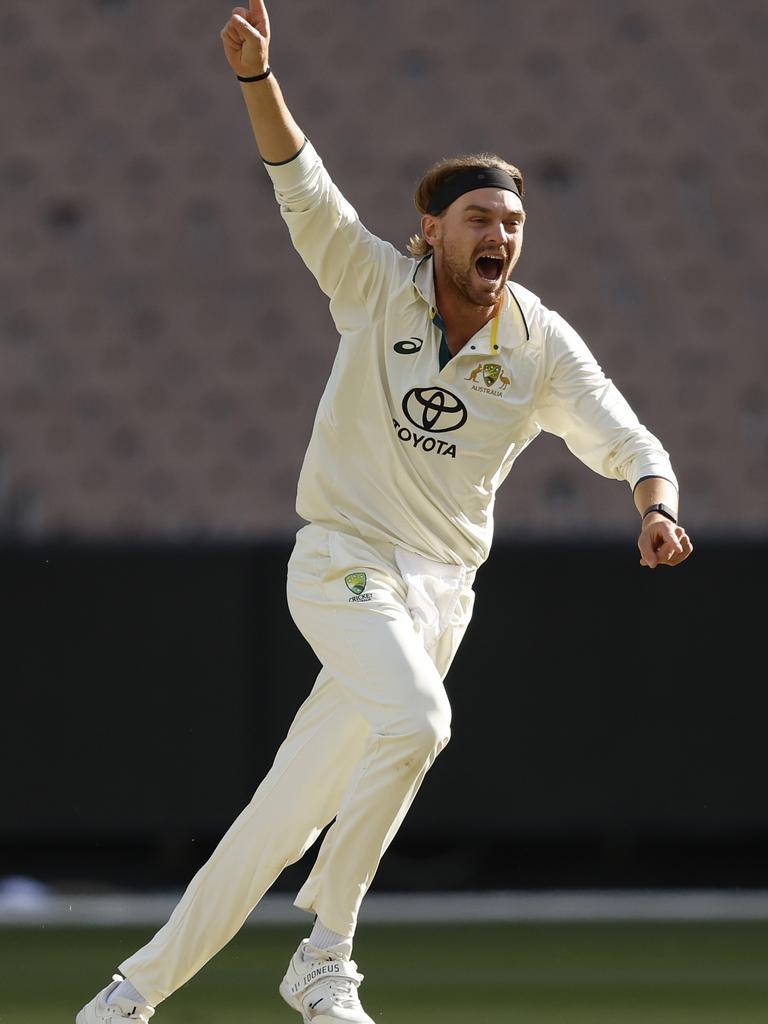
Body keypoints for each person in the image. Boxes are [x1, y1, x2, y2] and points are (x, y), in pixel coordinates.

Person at [76, 2, 694, 1022]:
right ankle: (327, 951)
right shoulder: (376, 286)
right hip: (344, 561)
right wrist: (255, 80)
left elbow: (629, 438)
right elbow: (303, 192)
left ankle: (127, 996)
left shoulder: (538, 343)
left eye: (514, 224)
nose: (501, 235)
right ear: (432, 233)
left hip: (438, 598)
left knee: (276, 822)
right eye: (481, 221)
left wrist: (655, 506)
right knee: (422, 720)